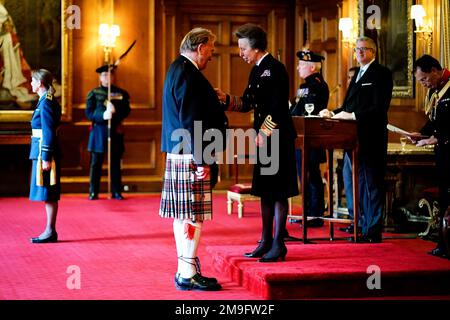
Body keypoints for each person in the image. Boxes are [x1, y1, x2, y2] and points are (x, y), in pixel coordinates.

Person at [216, 23, 299, 262]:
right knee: (265, 191)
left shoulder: (276, 69)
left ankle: (278, 243)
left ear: (255, 47)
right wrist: (226, 100)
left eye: (243, 48)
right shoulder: (256, 70)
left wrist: (263, 133)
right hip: (264, 141)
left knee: (279, 190)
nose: (240, 53)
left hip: (278, 139)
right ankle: (264, 240)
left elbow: (277, 108)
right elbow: (248, 101)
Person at [160, 27, 227, 291]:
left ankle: (184, 269)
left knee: (183, 215)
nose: (211, 55)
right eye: (210, 50)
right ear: (200, 48)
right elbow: (191, 122)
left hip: (182, 152)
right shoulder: (189, 74)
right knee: (192, 215)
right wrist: (202, 161)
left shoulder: (178, 68)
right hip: (191, 154)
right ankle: (187, 273)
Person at [320, 36, 393, 243]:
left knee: (371, 185)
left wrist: (353, 116)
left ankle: (372, 230)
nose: (359, 52)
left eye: (364, 49)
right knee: (358, 185)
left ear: (373, 52)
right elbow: (348, 106)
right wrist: (333, 113)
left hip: (371, 138)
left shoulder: (381, 73)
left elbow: (379, 108)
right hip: (353, 140)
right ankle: (360, 226)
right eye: (357, 49)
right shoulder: (358, 74)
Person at [410, 55, 450, 259]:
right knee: (444, 199)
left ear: (435, 70)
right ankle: (443, 244)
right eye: (420, 82)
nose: (424, 84)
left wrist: (432, 139)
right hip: (442, 156)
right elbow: (435, 121)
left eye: (425, 79)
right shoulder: (436, 91)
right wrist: (421, 134)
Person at [290, 50, 328, 228]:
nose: (298, 67)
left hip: (311, 136)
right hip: (301, 135)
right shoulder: (305, 85)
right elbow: (297, 108)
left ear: (312, 67)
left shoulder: (317, 85)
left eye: (302, 65)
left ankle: (315, 214)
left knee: (311, 175)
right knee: (303, 176)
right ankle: (307, 212)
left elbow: (308, 110)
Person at [85, 65, 130, 200]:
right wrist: (103, 115)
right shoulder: (93, 93)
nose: (107, 78)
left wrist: (115, 112)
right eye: (104, 75)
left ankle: (116, 191)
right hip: (98, 132)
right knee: (96, 163)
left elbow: (127, 111)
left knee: (115, 163)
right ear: (100, 77)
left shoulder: (121, 93)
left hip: (115, 131)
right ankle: (93, 191)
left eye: (110, 75)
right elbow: (89, 113)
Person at [29, 69, 61, 243]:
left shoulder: (46, 103)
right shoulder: (45, 100)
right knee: (47, 192)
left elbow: (48, 131)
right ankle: (49, 230)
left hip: (44, 151)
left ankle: (50, 231)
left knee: (49, 191)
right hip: (41, 150)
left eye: (32, 81)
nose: (31, 84)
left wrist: (47, 157)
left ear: (40, 83)